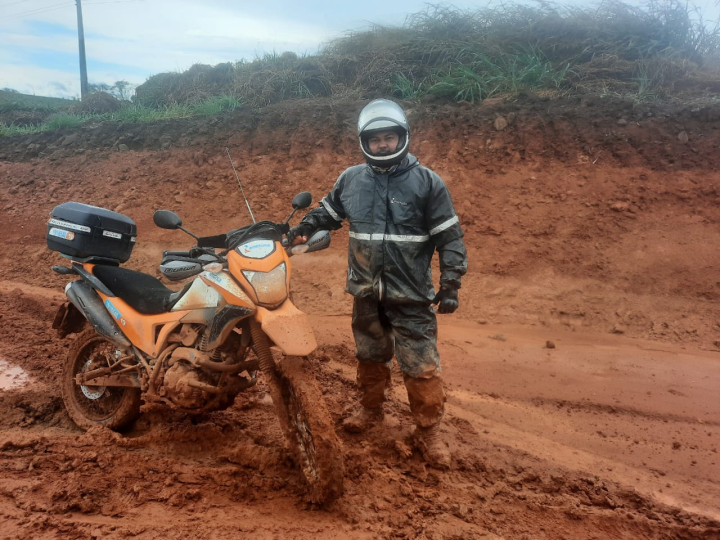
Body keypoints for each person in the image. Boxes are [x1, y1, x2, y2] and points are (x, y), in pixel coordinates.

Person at [287, 99, 467, 469]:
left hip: (412, 296)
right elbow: (329, 213)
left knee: (421, 366)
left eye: (389, 137)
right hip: (366, 292)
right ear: (364, 142)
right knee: (369, 356)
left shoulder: (427, 182)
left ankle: (428, 432)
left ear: (402, 137)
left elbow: (450, 237)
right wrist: (307, 226)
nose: (383, 145)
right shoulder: (351, 179)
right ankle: (370, 411)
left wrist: (451, 283)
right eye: (375, 139)